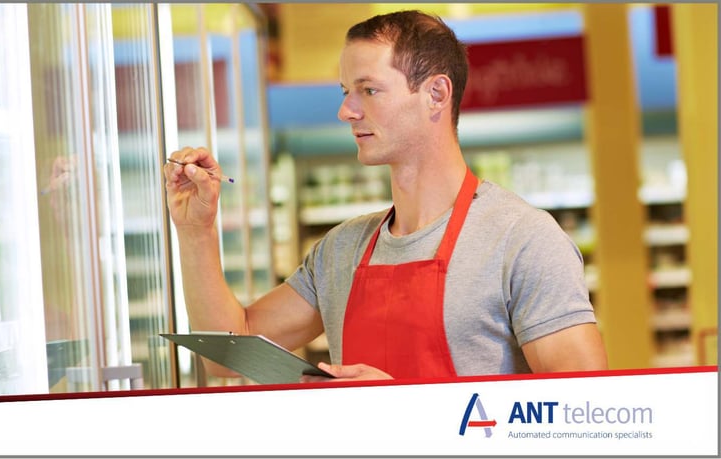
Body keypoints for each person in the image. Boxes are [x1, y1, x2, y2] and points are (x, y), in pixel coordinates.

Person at [163, 10, 608, 382]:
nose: (345, 111)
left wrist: (408, 409)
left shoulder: (522, 240)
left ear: (436, 94)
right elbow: (226, 355)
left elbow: (580, 414)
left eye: (368, 90)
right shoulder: (340, 250)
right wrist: (195, 230)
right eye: (345, 92)